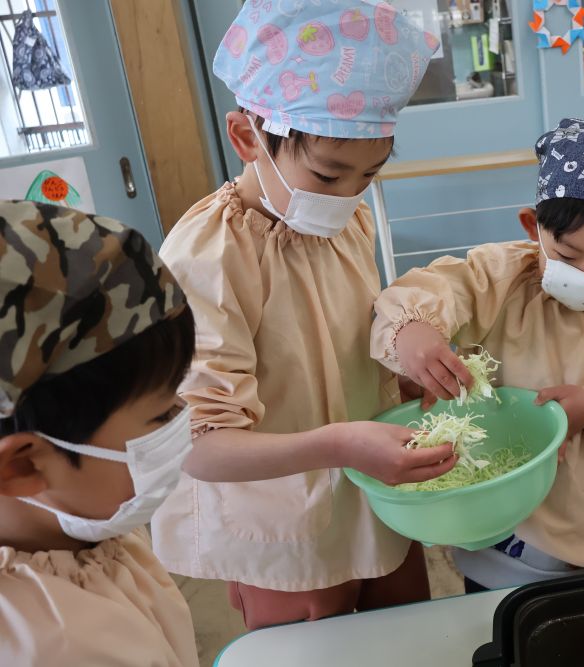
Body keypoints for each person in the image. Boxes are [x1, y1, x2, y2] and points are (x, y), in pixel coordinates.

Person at [150, 0, 455, 631]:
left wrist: (399, 368)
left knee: (404, 636)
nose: (347, 197)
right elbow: (199, 447)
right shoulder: (209, 255)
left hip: (374, 490)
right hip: (282, 522)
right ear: (246, 137)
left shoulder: (347, 220)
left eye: (369, 174)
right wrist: (343, 443)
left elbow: (338, 334)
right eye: (327, 173)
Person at [371, 119, 584, 590]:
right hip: (495, 500)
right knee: (498, 618)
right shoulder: (501, 276)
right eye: (567, 256)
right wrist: (413, 327)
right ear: (533, 227)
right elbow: (436, 287)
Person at [0, 200, 198, 666]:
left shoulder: (83, 521)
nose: (184, 422)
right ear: (23, 464)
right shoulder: (63, 647)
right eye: (162, 415)